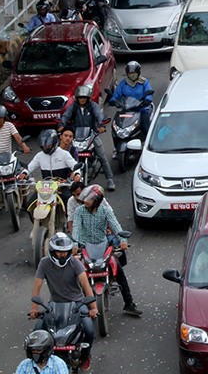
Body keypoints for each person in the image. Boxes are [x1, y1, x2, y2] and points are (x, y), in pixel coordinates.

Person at [70, 185, 142, 317]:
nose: (85, 200)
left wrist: (123, 240)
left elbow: (115, 225)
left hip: (103, 246)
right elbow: (76, 229)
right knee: (76, 275)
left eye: (89, 199)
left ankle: (129, 304)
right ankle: (74, 306)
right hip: (85, 247)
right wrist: (75, 243)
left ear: (97, 200)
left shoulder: (105, 211)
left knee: (119, 271)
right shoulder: (80, 211)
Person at [31, 233, 97, 370]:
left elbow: (86, 286)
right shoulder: (44, 263)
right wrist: (34, 309)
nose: (63, 255)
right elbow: (36, 287)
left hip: (77, 304)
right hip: (54, 304)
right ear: (52, 251)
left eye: (66, 252)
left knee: (90, 330)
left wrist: (93, 308)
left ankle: (85, 356)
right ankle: (37, 362)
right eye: (59, 252)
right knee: (37, 330)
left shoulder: (75, 263)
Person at [61, 85, 116, 192]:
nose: (82, 99)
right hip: (76, 136)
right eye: (80, 97)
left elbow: (99, 116)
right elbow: (65, 116)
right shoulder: (73, 107)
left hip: (91, 134)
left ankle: (110, 179)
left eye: (84, 98)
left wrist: (101, 126)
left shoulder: (93, 106)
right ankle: (66, 178)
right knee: (66, 156)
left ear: (88, 98)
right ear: (77, 98)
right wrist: (61, 125)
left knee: (102, 157)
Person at [108, 61, 153, 137]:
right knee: (117, 126)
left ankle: (147, 141)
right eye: (130, 73)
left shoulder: (144, 82)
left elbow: (149, 92)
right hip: (127, 109)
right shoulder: (123, 83)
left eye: (134, 73)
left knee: (145, 126)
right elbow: (117, 94)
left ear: (138, 73)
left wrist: (147, 100)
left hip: (141, 108)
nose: (132, 75)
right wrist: (113, 100)